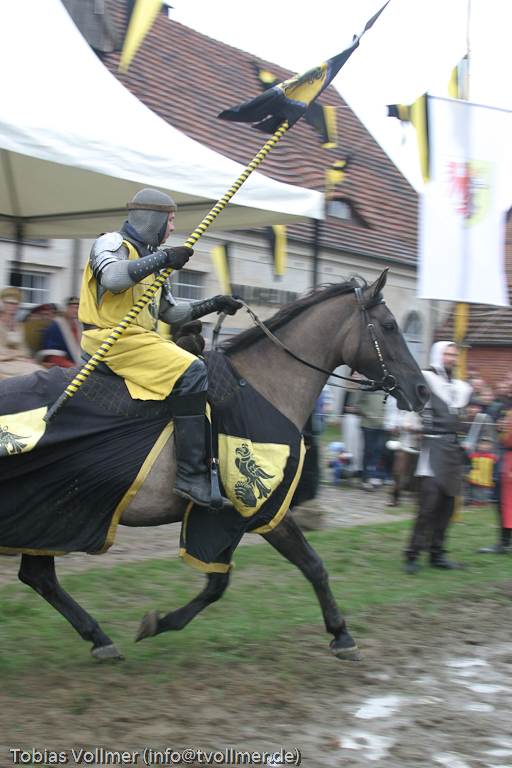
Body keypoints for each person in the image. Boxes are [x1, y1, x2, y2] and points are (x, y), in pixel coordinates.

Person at [79, 188, 242, 507]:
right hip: (111, 340)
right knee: (193, 370)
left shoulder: (151, 259)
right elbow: (113, 278)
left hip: (140, 340)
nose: (172, 228)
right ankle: (190, 477)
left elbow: (169, 313)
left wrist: (214, 303)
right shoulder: (112, 243)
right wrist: (164, 259)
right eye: (169, 220)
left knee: (199, 364)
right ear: (152, 219)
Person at [404, 341, 472, 573]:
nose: (452, 358)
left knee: (447, 508)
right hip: (432, 448)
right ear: (437, 355)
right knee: (428, 507)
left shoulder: (459, 387)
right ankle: (412, 554)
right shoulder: (426, 379)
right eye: (448, 354)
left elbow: (462, 416)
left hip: (453, 451)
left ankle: (437, 553)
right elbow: (411, 401)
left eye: (454, 354)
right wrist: (411, 423)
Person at [0, 287, 45, 379]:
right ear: (3, 305)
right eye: (9, 303)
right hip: (3, 361)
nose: (12, 306)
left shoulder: (19, 325)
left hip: (17, 360)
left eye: (15, 304)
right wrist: (18, 356)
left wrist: (25, 357)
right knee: (32, 372)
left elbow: (22, 347)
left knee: (40, 371)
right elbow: (1, 349)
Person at [350, 387, 388, 490]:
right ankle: (365, 478)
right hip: (368, 425)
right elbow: (356, 404)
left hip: (382, 426)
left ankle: (375, 476)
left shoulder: (384, 386)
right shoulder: (365, 385)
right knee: (368, 451)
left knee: (380, 451)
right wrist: (366, 413)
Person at [38, 296, 83, 367]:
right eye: (72, 307)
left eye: (78, 308)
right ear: (66, 308)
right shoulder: (56, 326)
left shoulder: (80, 326)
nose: (75, 310)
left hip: (79, 365)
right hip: (63, 366)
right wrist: (73, 366)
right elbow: (52, 354)